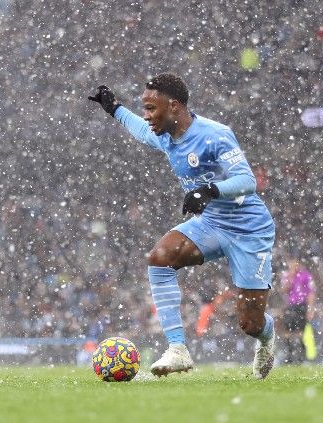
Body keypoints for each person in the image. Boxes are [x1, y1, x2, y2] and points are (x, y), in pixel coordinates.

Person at [88, 74, 276, 379]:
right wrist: (115, 109)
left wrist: (210, 190)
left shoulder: (215, 135)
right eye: (145, 109)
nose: (147, 116)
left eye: (151, 109)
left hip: (248, 230)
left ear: (173, 106)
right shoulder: (164, 135)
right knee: (159, 259)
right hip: (212, 223)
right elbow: (140, 131)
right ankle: (178, 350)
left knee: (250, 324)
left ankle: (267, 337)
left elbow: (247, 181)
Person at [280, 258, 315, 363]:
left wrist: (310, 308)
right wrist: (290, 277)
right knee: (287, 331)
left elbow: (311, 292)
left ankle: (301, 357)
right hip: (290, 306)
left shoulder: (305, 276)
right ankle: (289, 355)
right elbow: (284, 289)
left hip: (301, 306)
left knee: (300, 331)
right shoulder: (287, 276)